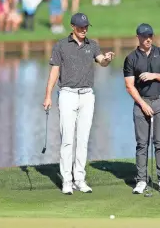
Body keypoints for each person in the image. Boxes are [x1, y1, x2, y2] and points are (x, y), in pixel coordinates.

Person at [43, 13, 116, 195]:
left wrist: (107, 58)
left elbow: (102, 62)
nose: (84, 30)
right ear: (72, 27)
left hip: (87, 95)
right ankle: (67, 181)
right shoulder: (61, 46)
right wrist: (48, 96)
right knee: (68, 140)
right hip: (67, 94)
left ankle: (80, 179)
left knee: (83, 140)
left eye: (86, 27)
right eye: (80, 27)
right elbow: (54, 72)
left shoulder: (93, 45)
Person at [123, 23, 160, 195]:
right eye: (145, 36)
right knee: (142, 144)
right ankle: (141, 180)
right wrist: (143, 104)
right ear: (138, 37)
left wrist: (154, 75)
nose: (148, 39)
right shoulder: (131, 58)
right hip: (141, 103)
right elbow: (129, 86)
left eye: (150, 36)